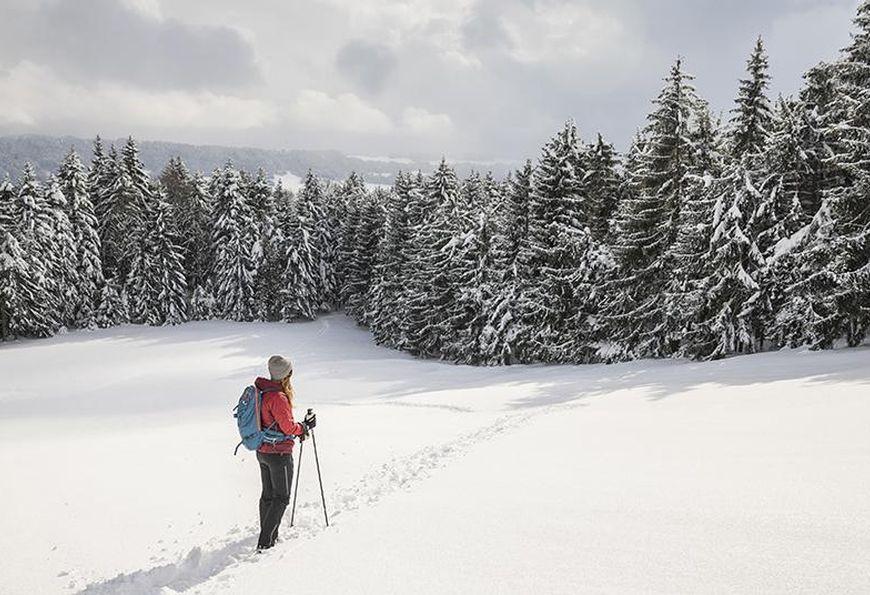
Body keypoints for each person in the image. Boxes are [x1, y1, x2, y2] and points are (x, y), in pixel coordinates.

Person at [254, 354, 316, 551]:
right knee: (281, 498)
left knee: (268, 496)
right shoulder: (278, 397)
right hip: (278, 454)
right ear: (285, 375)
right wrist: (304, 427)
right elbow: (288, 428)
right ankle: (265, 542)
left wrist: (299, 427)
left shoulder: (262, 391)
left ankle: (270, 534)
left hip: (262, 450)